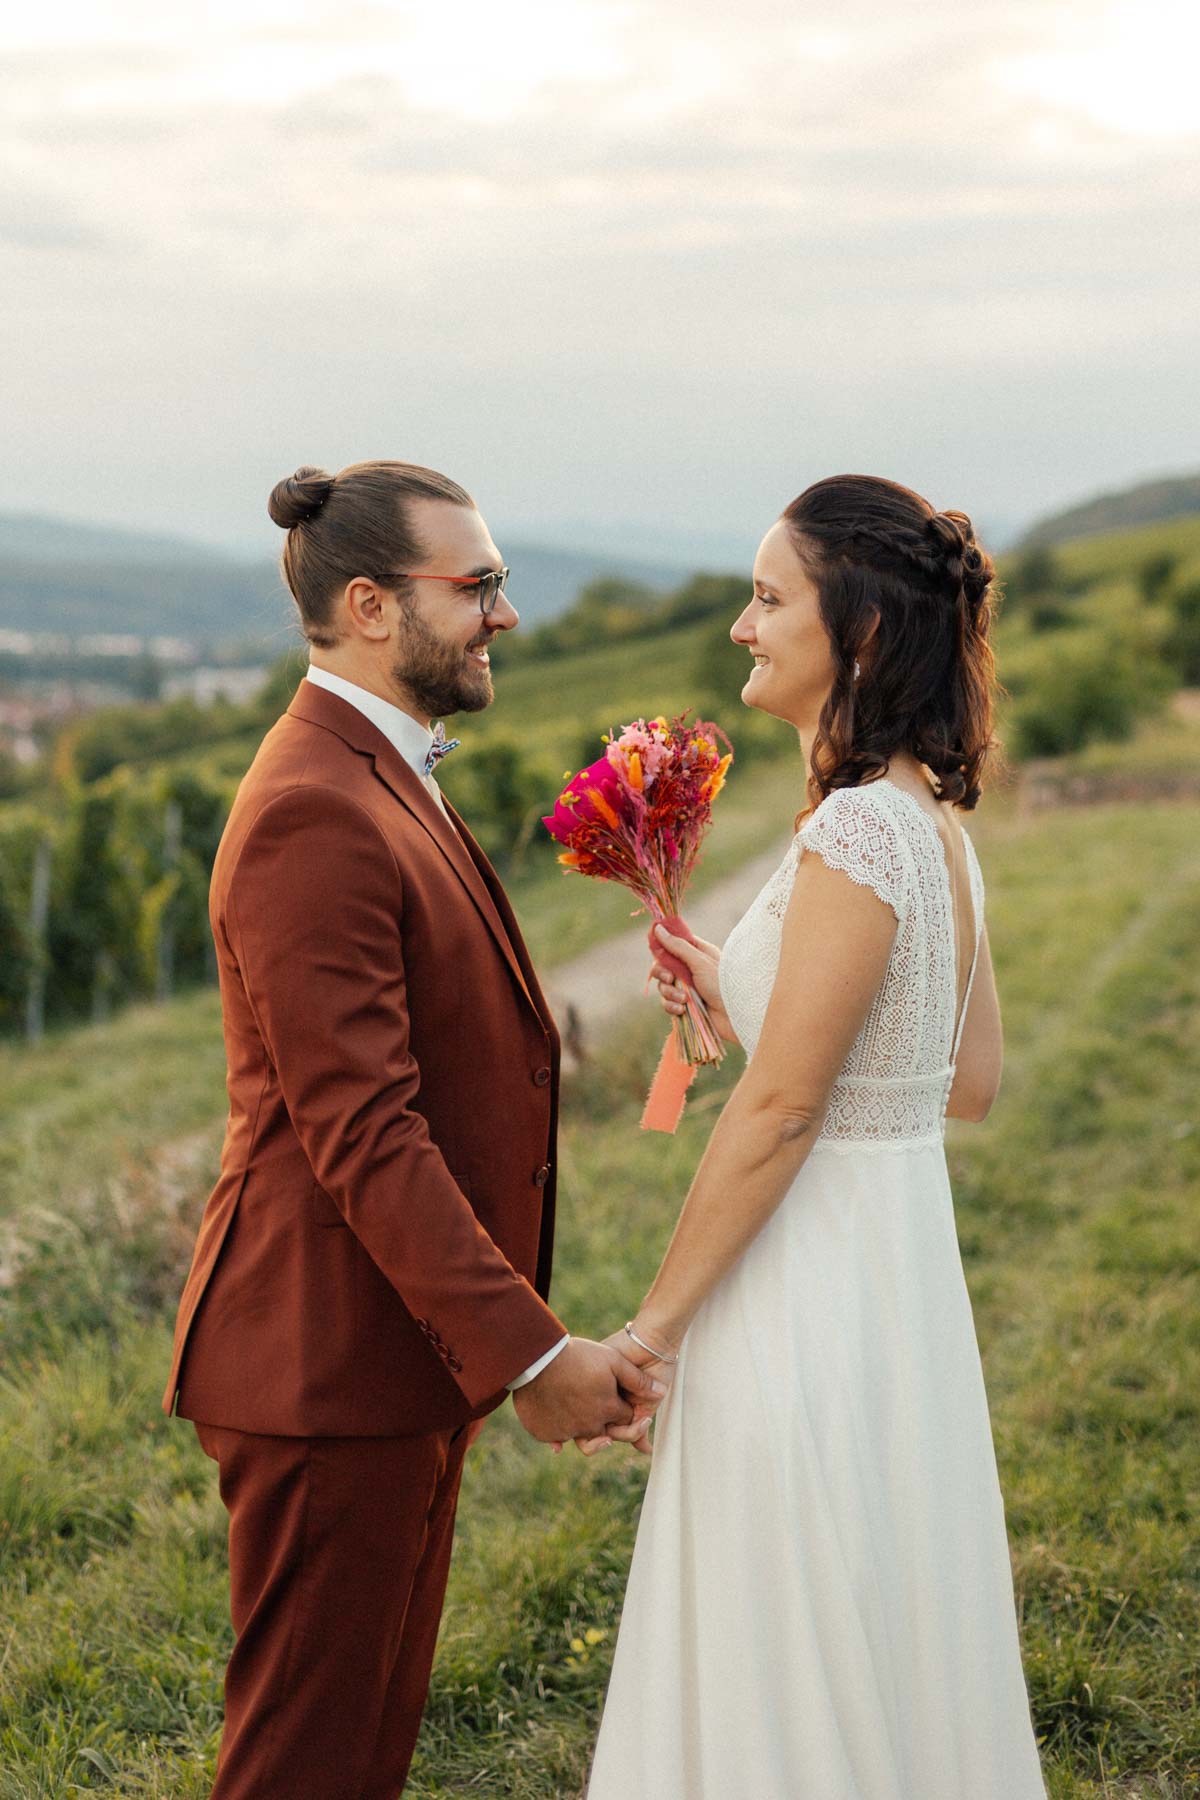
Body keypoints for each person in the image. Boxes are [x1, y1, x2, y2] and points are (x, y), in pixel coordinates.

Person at [159, 459, 663, 1800]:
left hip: (390, 1356)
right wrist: (529, 1354)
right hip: (322, 1362)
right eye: (478, 584)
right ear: (372, 605)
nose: (504, 612)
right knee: (305, 1763)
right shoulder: (313, 806)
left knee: (361, 1755)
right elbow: (362, 1132)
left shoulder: (384, 768)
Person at [584, 475, 1048, 1798]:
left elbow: (786, 1105)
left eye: (768, 597)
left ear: (857, 635)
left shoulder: (857, 827)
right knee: (875, 1599)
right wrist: (732, 972)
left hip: (808, 1284)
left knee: (780, 1619)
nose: (741, 625)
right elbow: (958, 1075)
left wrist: (653, 1332)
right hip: (895, 1281)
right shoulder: (930, 826)